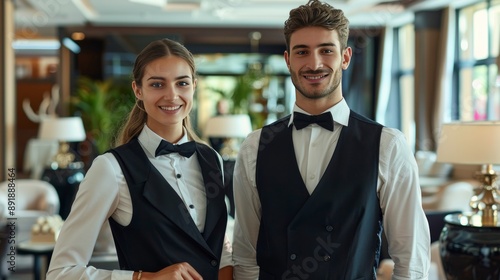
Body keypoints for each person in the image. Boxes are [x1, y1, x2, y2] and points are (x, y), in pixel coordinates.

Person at [231, 0, 431, 279]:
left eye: (326, 50)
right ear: (288, 59)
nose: (314, 63)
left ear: (345, 57)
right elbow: (245, 253)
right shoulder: (255, 146)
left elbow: (411, 258)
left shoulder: (388, 145)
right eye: (302, 52)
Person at [47, 38, 233, 280]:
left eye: (182, 83)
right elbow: (61, 273)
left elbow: (219, 243)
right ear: (138, 90)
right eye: (157, 84)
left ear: (194, 87)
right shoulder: (111, 168)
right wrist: (145, 278)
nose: (172, 95)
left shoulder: (213, 158)